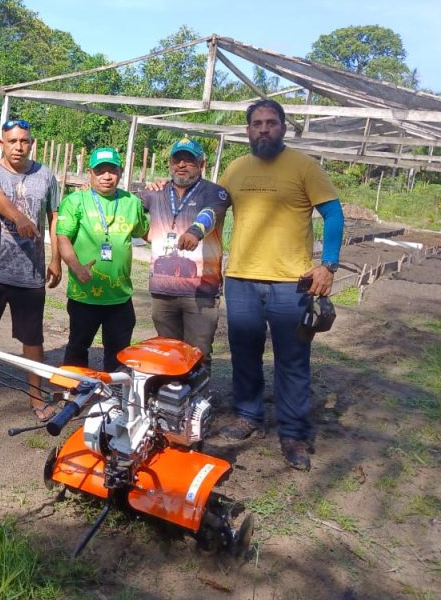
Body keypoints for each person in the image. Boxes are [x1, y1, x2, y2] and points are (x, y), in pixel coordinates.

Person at [217, 99, 344, 472]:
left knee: (292, 360)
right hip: (241, 278)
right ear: (248, 130)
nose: (264, 129)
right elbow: (210, 204)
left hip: (293, 283)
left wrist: (329, 265)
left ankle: (293, 433)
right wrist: (167, 187)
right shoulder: (236, 169)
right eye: (257, 123)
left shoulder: (304, 166)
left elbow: (333, 214)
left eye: (271, 123)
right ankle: (247, 415)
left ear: (284, 127)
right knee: (244, 352)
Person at [0, 119, 62, 422]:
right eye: (13, 141)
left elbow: (55, 218)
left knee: (32, 338)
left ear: (32, 143)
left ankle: (35, 393)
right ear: (1, 142)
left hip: (30, 274)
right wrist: (18, 217)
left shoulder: (46, 176)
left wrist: (56, 258)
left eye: (24, 141)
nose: (19, 146)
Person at [55, 147, 150, 372]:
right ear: (90, 173)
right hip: (84, 295)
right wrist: (76, 267)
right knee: (77, 347)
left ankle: (115, 396)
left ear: (121, 171)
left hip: (119, 297)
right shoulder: (75, 201)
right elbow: (63, 238)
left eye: (112, 170)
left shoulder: (131, 202)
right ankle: (75, 390)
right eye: (100, 171)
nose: (107, 176)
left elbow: (144, 233)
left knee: (119, 352)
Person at [138, 137, 230, 364]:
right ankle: (171, 397)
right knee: (167, 354)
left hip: (201, 293)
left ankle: (198, 398)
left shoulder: (215, 193)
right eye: (176, 159)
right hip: (162, 291)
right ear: (169, 163)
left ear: (202, 165)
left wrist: (195, 232)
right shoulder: (155, 193)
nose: (181, 165)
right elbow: (124, 208)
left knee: (198, 354)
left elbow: (209, 214)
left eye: (189, 160)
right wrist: (89, 190)